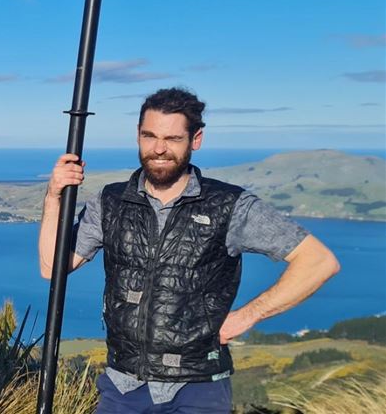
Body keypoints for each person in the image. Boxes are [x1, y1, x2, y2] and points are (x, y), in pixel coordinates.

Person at [38, 87, 340, 413]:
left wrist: (246, 316)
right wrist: (54, 196)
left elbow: (318, 261)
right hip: (122, 385)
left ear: (196, 139)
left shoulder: (229, 205)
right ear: (137, 136)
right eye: (149, 136)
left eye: (172, 139)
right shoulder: (109, 202)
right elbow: (51, 266)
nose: (158, 149)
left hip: (197, 389)